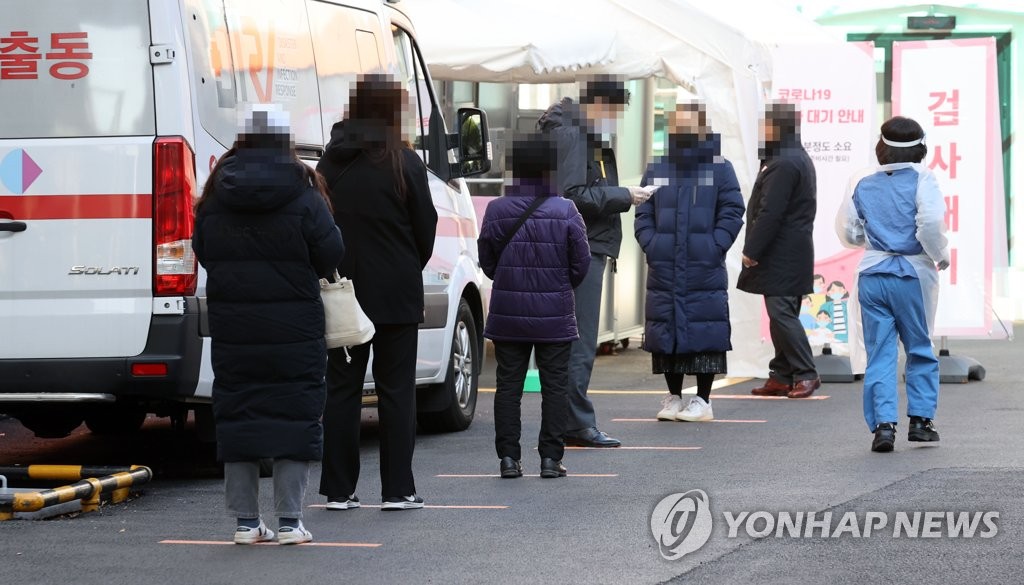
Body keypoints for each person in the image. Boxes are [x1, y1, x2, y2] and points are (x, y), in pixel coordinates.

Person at [192, 104, 345, 545]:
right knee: (295, 415)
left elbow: (203, 247)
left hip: (235, 326)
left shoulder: (218, 189)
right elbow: (331, 253)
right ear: (284, 138)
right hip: (294, 327)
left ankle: (244, 523)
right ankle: (290, 522)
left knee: (238, 415)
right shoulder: (304, 189)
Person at [317, 74, 437, 510]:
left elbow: (319, 226)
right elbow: (426, 229)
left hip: (343, 291)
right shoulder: (404, 162)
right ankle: (398, 490)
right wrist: (406, 265)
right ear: (393, 111)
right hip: (397, 293)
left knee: (342, 390)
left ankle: (338, 490)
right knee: (397, 391)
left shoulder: (330, 163)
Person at [536, 75, 650, 448]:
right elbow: (572, 194)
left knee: (574, 339)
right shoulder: (574, 135)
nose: (616, 119)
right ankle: (576, 422)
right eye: (615, 111)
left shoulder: (574, 131)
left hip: (577, 244)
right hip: (580, 245)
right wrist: (624, 195)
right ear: (600, 104)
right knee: (579, 339)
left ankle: (569, 420)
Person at [478, 132, 591, 478]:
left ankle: (509, 459)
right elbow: (581, 262)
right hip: (554, 314)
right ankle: (550, 458)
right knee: (555, 385)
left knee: (508, 386)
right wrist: (558, 286)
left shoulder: (496, 209)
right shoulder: (566, 210)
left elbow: (487, 261)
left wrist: (510, 279)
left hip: (508, 313)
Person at [835, 116, 949, 452]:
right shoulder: (923, 179)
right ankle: (921, 421)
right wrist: (939, 254)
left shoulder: (862, 181)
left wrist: (873, 241)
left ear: (881, 146)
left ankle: (883, 427)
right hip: (912, 274)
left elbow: (849, 230)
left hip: (872, 274)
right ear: (920, 147)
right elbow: (929, 224)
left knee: (880, 353)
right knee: (919, 347)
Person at [636, 102, 745, 422]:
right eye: (676, 124)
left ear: (702, 128)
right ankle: (673, 398)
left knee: (704, 330)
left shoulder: (719, 167)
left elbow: (732, 210)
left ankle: (703, 400)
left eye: (687, 124)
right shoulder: (658, 167)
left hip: (703, 264)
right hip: (665, 263)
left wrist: (715, 246)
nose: (681, 130)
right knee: (666, 331)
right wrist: (651, 244)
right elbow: (643, 210)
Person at [737, 102, 821, 399]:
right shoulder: (790, 157)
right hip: (789, 251)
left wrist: (752, 250)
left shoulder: (784, 162)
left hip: (782, 252)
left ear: (778, 127)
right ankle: (782, 375)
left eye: (766, 125)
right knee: (781, 312)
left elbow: (770, 212)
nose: (762, 131)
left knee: (782, 312)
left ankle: (805, 373)